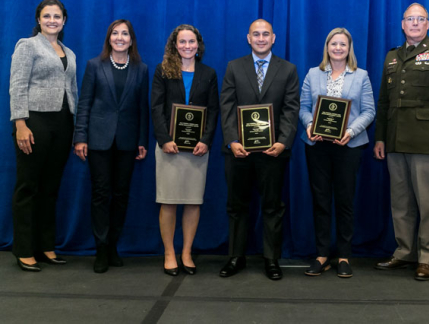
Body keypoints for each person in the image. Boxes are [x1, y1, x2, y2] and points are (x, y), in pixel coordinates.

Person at [373, 3, 429, 281]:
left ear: (427, 24)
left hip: (427, 141)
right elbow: (385, 102)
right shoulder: (392, 56)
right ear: (402, 24)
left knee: (428, 203)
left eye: (420, 19)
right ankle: (404, 252)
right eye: (410, 19)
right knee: (400, 202)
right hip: (395, 141)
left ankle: (427, 257)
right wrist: (380, 137)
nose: (414, 23)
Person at [219, 19, 300, 281]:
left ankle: (271, 259)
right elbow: (227, 107)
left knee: (272, 206)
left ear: (274, 38)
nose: (261, 38)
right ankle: (235, 256)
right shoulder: (234, 67)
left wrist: (283, 141)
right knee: (237, 206)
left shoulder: (287, 69)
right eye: (256, 34)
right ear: (248, 38)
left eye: (266, 34)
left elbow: (291, 109)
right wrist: (232, 140)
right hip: (239, 151)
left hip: (273, 152)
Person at [74, 19, 149, 273]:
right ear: (109, 38)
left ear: (131, 39)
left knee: (120, 195)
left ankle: (114, 246)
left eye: (125, 33)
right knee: (100, 194)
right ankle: (101, 249)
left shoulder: (141, 68)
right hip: (98, 141)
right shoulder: (94, 65)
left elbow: (142, 109)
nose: (120, 37)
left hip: (128, 142)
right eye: (115, 33)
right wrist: (80, 137)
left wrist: (142, 141)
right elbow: (84, 103)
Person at [300, 28, 375, 278]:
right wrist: (310, 125)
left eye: (343, 44)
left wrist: (351, 131)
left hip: (348, 147)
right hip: (317, 146)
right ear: (327, 47)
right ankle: (322, 255)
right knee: (321, 201)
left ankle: (344, 255)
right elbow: (303, 107)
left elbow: (369, 111)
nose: (338, 48)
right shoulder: (313, 73)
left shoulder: (361, 75)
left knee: (344, 202)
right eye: (334, 44)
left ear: (349, 48)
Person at [9, 0, 77, 272]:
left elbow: (72, 90)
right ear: (38, 19)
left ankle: (46, 246)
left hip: (63, 123)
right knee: (28, 186)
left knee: (50, 188)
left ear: (64, 21)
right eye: (47, 16)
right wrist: (20, 124)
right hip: (34, 121)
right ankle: (24, 249)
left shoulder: (69, 52)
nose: (52, 20)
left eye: (57, 16)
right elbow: (17, 86)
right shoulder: (27, 45)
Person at [151, 24, 219, 276]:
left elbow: (213, 111)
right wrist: (164, 138)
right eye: (182, 42)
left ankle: (187, 252)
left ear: (199, 45)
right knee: (168, 201)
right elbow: (156, 108)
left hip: (198, 149)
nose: (187, 46)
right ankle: (169, 253)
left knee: (192, 201)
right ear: (174, 45)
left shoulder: (209, 73)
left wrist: (206, 140)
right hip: (169, 147)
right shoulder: (162, 71)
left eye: (192, 42)